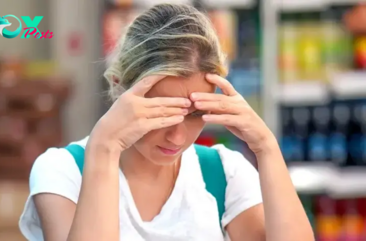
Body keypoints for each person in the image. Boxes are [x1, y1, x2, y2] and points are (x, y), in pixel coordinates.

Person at [19, 3, 314, 241]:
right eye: (161, 111)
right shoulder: (64, 172)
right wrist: (105, 146)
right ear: (121, 87)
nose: (177, 136)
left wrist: (266, 147)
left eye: (195, 113)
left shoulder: (225, 174)